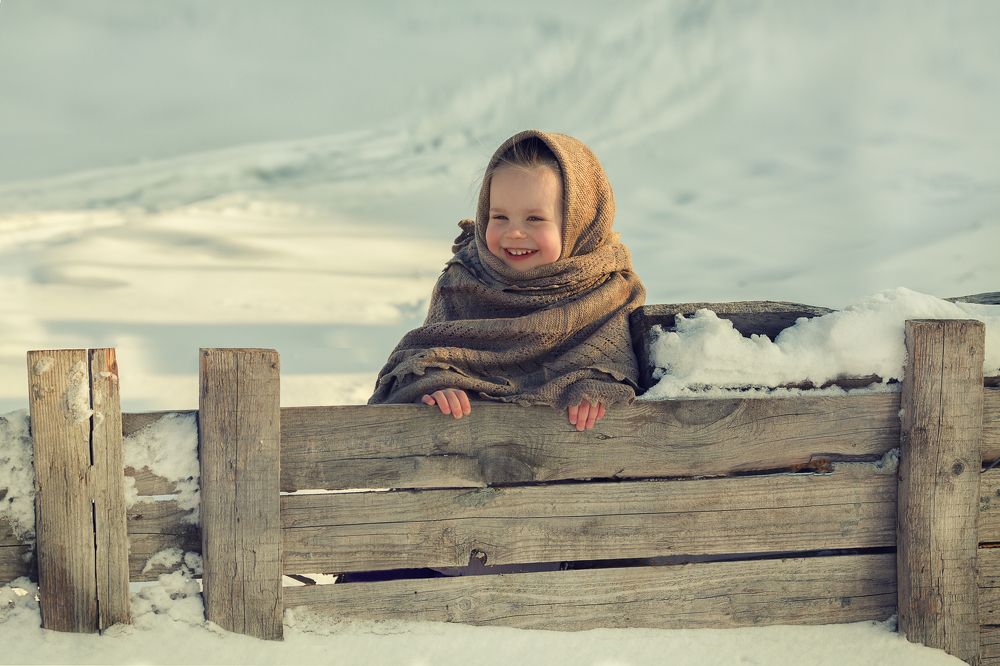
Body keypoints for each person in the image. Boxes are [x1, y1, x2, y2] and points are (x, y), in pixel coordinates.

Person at [368, 129, 647, 430]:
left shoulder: (607, 291)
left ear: (580, 222)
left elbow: (615, 361)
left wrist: (598, 383)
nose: (514, 233)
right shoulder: (462, 283)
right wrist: (435, 384)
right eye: (499, 217)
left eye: (535, 219)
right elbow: (423, 358)